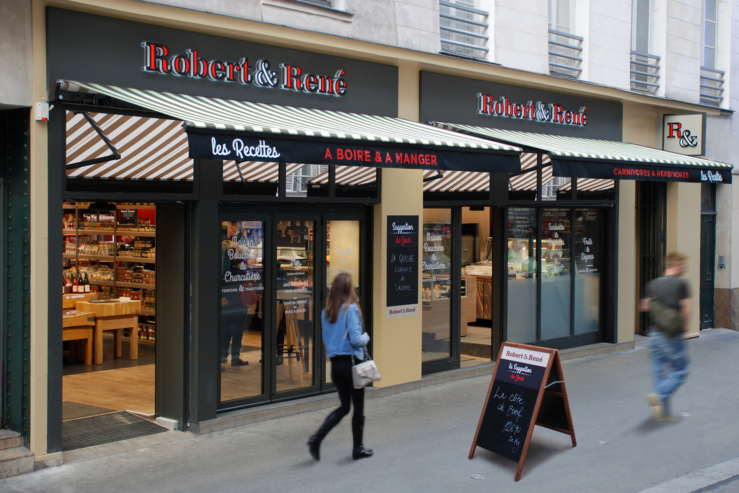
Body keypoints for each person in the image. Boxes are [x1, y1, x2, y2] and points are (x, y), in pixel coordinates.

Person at [308, 273, 373, 461]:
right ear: (350, 289)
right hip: (352, 364)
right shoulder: (351, 309)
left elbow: (328, 339)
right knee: (358, 407)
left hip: (336, 365)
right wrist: (366, 336)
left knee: (345, 407)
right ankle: (358, 448)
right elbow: (356, 339)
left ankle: (316, 438)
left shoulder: (325, 313)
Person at [640, 252, 692, 422]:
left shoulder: (653, 284)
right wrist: (683, 329)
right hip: (671, 334)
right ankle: (659, 395)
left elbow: (645, 306)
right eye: (683, 266)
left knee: (659, 374)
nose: (684, 269)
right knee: (681, 370)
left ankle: (664, 413)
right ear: (675, 265)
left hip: (654, 334)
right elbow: (686, 309)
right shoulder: (681, 283)